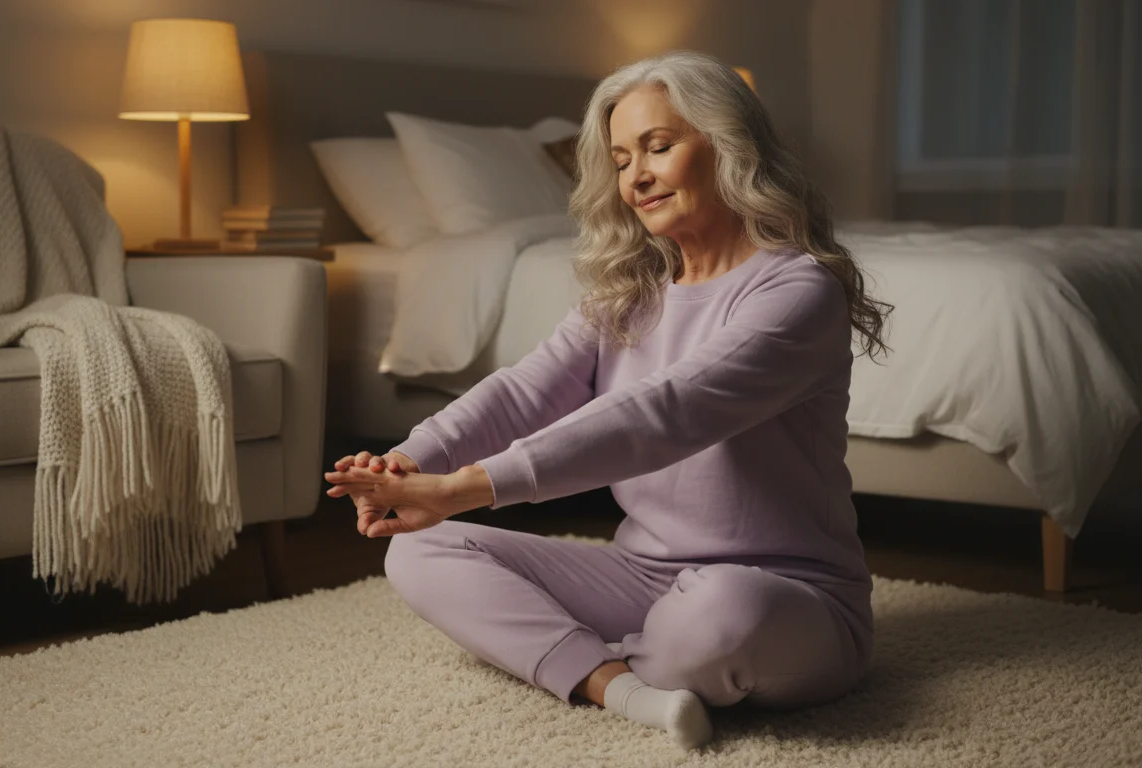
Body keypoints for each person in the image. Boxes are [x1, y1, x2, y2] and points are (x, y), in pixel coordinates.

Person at [323, 50, 891, 751]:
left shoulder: (797, 290)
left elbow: (666, 413)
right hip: (642, 575)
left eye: (659, 147)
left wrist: (466, 486)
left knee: (720, 616)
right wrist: (403, 467)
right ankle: (619, 686)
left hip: (784, 593)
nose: (637, 178)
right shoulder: (631, 293)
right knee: (419, 550)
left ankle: (588, 652)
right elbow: (521, 393)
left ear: (728, 145)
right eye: (621, 160)